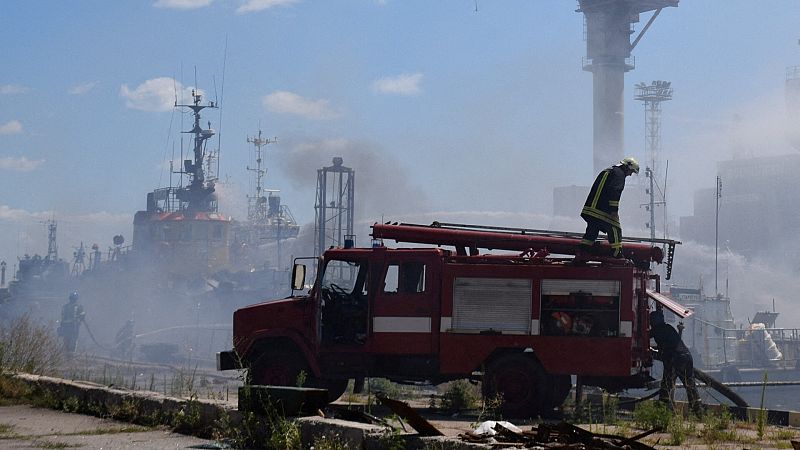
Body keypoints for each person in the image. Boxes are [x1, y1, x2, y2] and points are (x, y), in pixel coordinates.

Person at [579, 157, 639, 258]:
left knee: (592, 231)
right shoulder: (619, 174)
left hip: (591, 209)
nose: (630, 174)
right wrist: (614, 210)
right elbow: (615, 191)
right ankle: (617, 254)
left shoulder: (608, 170)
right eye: (631, 171)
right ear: (627, 167)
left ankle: (583, 252)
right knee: (615, 228)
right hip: (602, 210)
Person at [649, 309, 703, 416]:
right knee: (690, 386)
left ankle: (664, 412)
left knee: (666, 386)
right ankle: (698, 413)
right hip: (687, 357)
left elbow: (645, 337)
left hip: (674, 359)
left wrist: (650, 351)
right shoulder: (668, 328)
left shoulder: (656, 330)